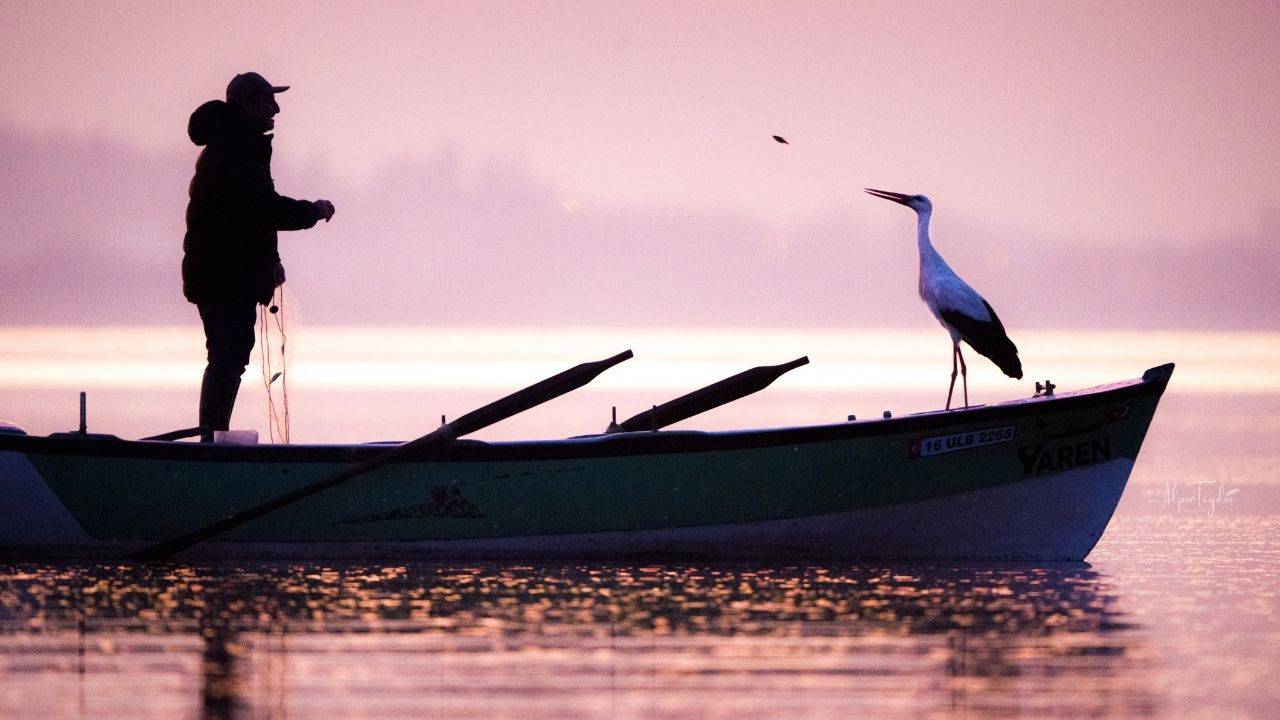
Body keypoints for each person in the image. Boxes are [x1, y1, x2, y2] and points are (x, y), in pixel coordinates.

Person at [182, 72, 336, 433]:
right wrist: (312, 211)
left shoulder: (236, 145)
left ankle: (212, 438)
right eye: (268, 101)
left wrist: (272, 261)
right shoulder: (237, 149)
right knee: (228, 355)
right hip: (223, 274)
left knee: (228, 354)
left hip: (223, 272)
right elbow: (262, 208)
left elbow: (248, 218)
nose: (276, 109)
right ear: (249, 105)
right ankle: (212, 442)